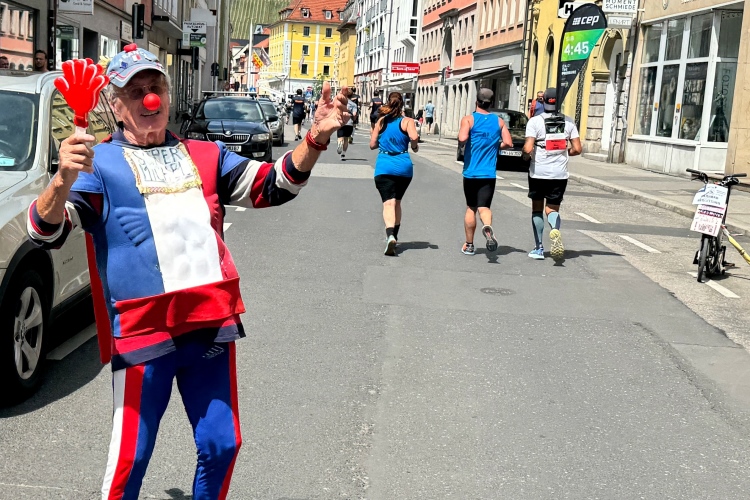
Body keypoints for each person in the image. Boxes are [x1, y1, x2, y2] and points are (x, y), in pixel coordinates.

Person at [26, 44, 350, 500]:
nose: (149, 99)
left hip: (208, 322)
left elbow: (273, 185)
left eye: (155, 87)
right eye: (135, 91)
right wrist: (62, 179)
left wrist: (314, 138)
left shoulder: (206, 154)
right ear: (115, 106)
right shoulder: (98, 164)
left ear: (168, 95)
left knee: (222, 444)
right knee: (131, 458)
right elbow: (44, 231)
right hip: (144, 331)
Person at [522, 87, 582, 261]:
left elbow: (528, 148)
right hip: (559, 174)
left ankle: (539, 248)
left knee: (537, 209)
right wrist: (565, 152)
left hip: (538, 172)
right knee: (552, 208)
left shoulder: (535, 121)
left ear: (543, 101)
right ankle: (555, 229)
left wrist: (525, 155)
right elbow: (578, 149)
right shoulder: (569, 122)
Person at [457, 88, 512, 256]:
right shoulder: (499, 121)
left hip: (471, 172)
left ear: (476, 102)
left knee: (471, 207)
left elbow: (462, 138)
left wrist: (469, 141)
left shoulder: (469, 119)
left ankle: (469, 245)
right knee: (484, 207)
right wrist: (495, 145)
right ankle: (487, 227)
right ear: (491, 103)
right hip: (488, 174)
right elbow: (508, 143)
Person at [369, 92, 419, 256]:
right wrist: (414, 146)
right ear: (402, 104)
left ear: (388, 102)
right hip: (404, 166)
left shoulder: (381, 121)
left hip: (384, 166)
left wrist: (384, 141)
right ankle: (395, 236)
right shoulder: (407, 121)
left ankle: (390, 235)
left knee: (388, 204)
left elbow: (372, 144)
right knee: (397, 202)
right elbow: (414, 137)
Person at [337, 88, 358, 160]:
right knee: (346, 139)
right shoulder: (354, 104)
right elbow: (354, 114)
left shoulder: (341, 103)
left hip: (341, 122)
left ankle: (339, 144)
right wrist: (354, 120)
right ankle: (343, 154)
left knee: (340, 137)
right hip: (349, 123)